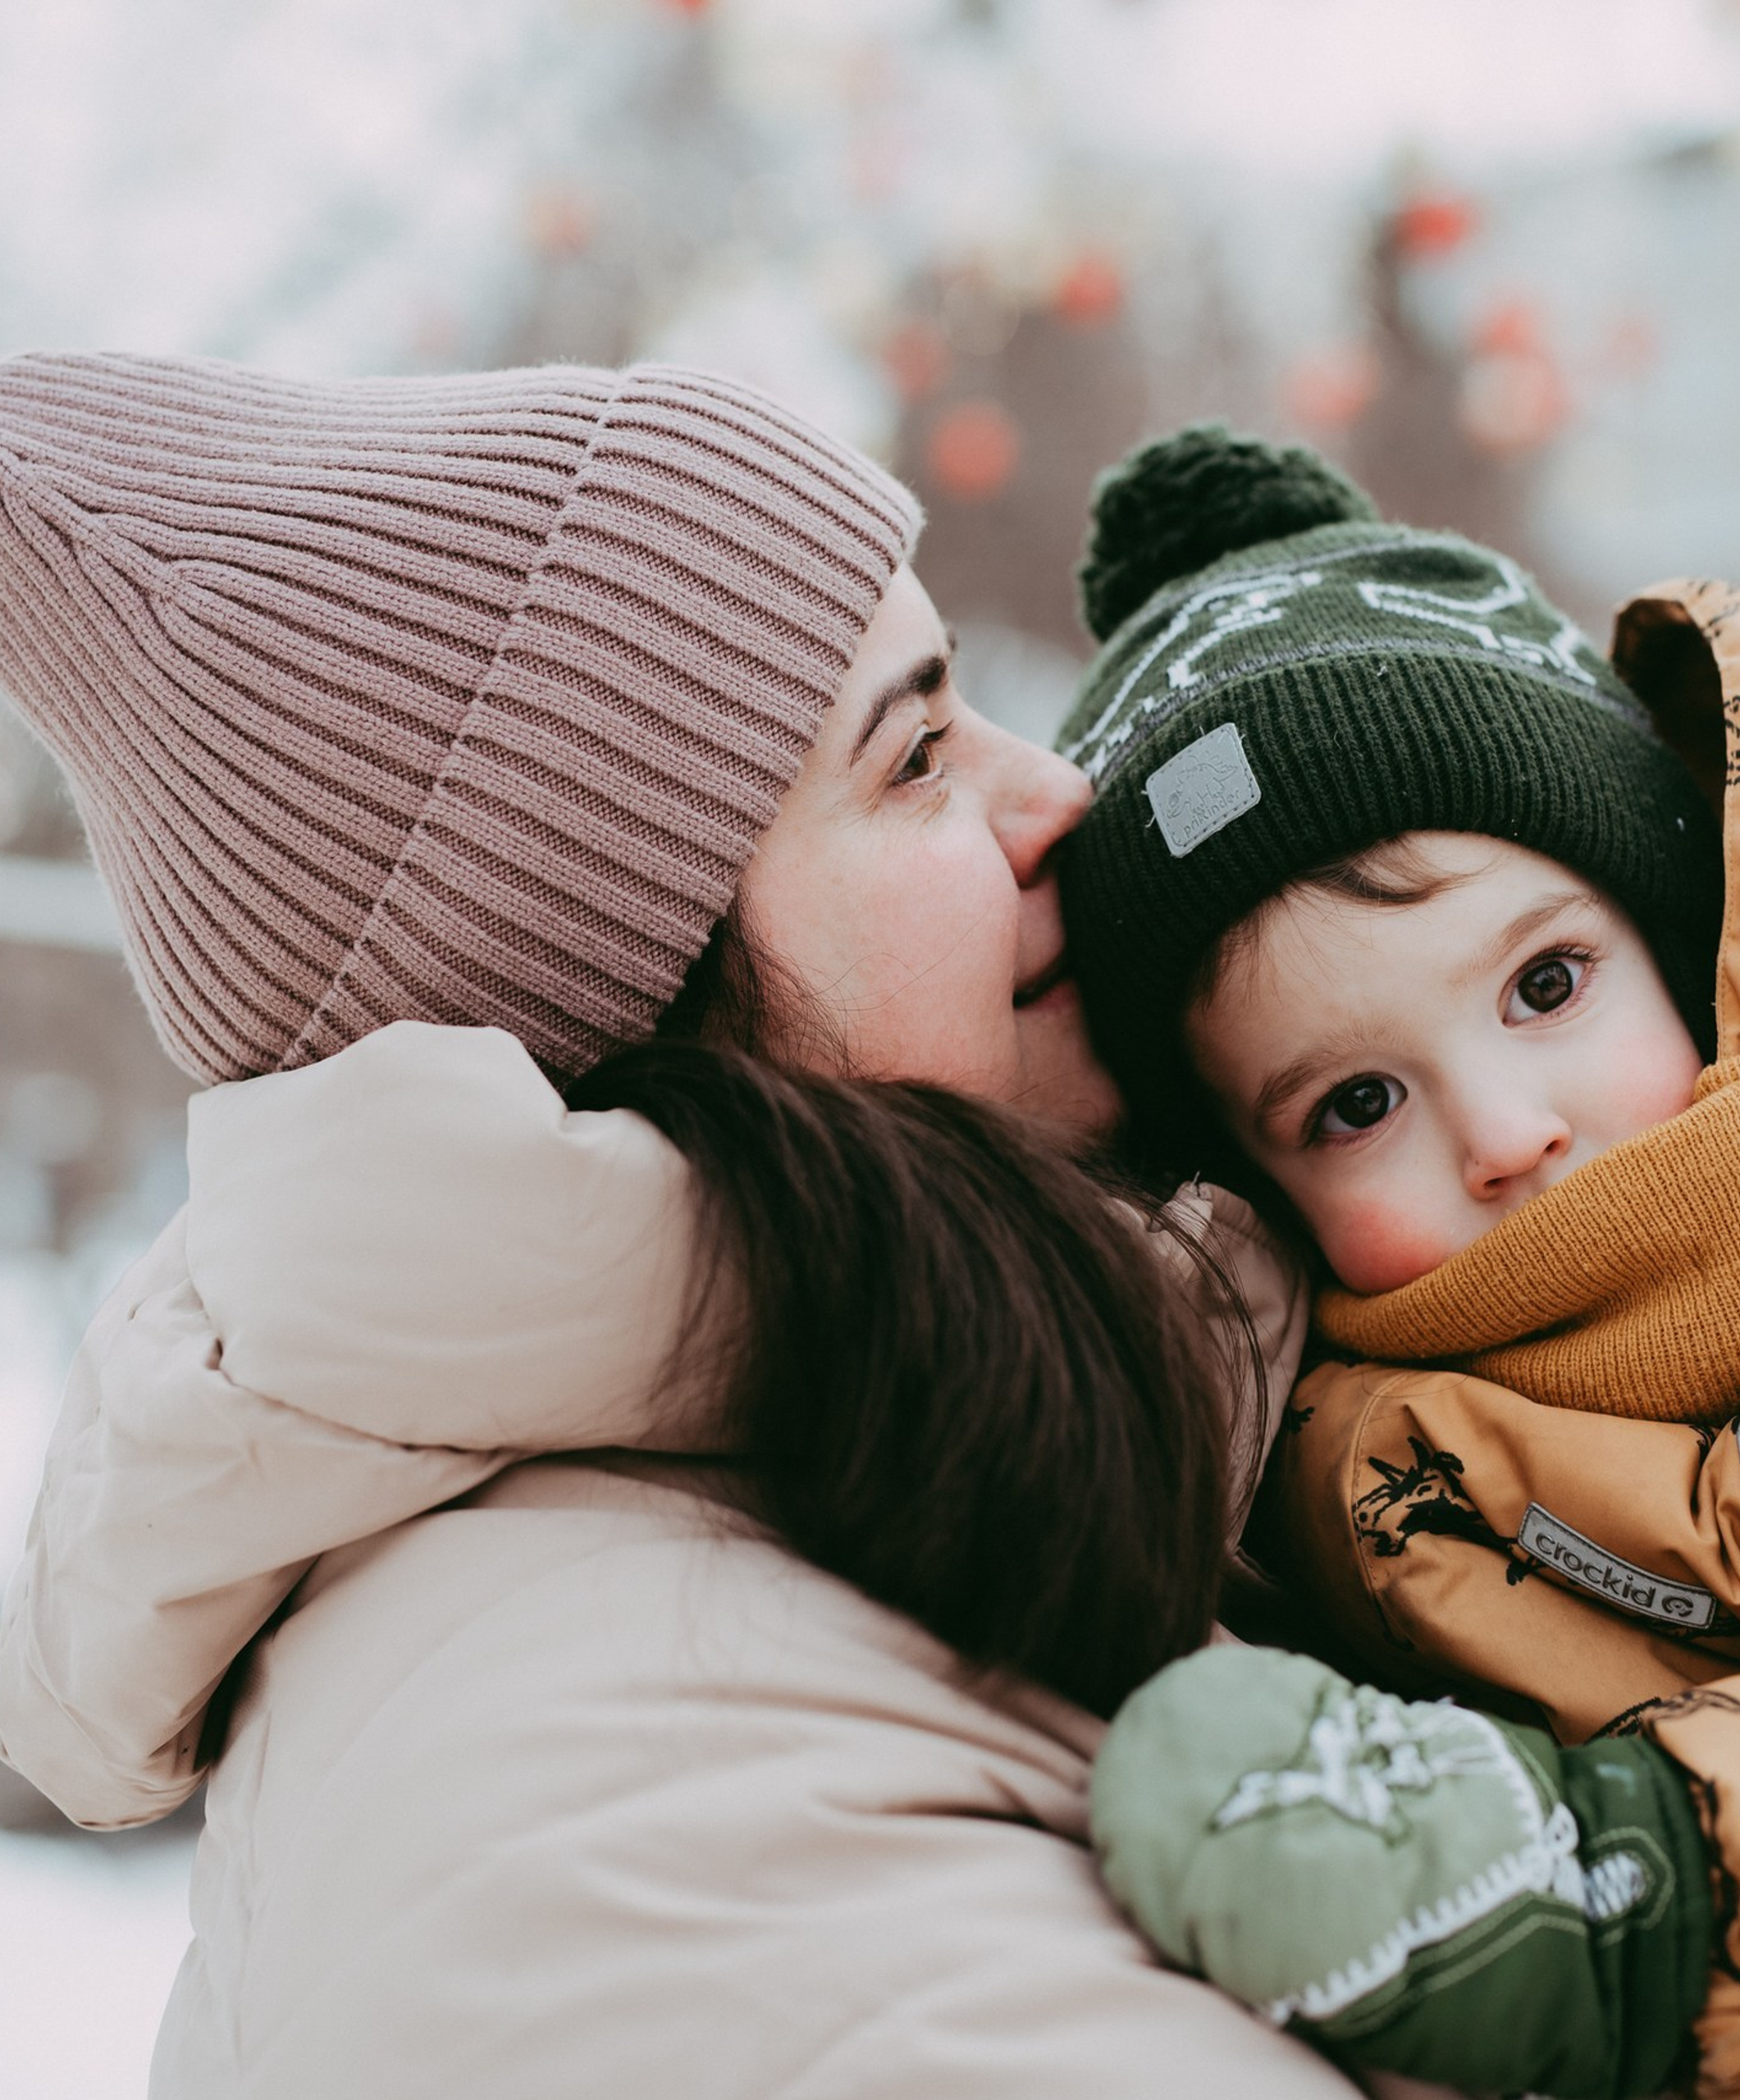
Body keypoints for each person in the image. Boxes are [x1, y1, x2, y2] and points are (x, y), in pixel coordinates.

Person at [0, 355, 1366, 2099]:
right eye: (918, 753)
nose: (1057, 799)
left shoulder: (876, 1463)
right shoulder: (634, 1806)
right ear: (630, 990)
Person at [1053, 427, 1740, 2098]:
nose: (1501, 1129)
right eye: (1354, 1101)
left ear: (1677, 936)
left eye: (1542, 987)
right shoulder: (1336, 1494)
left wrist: (1620, 1894)